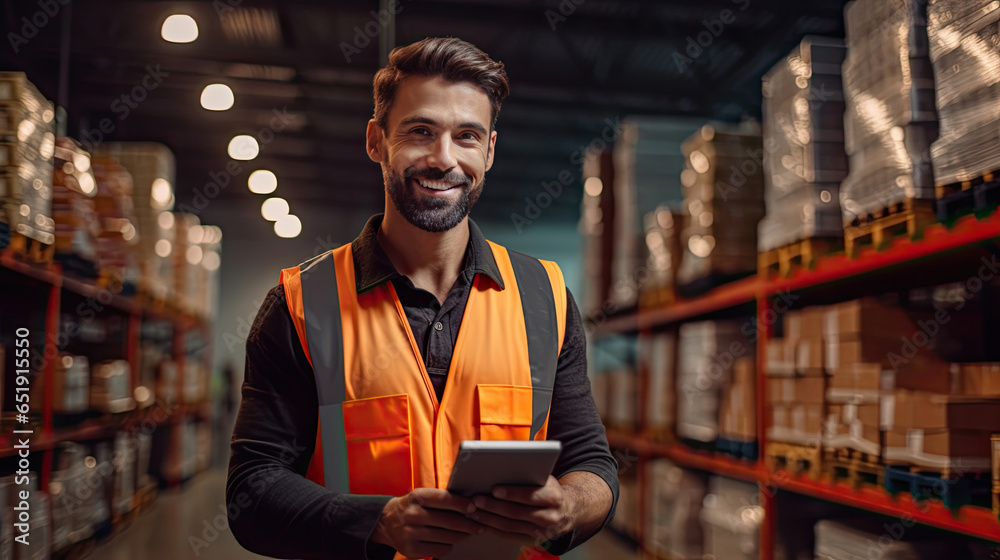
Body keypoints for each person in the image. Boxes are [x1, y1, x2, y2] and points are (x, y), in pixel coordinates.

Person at [227, 37, 618, 560]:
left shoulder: (543, 299)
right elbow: (251, 493)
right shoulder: (301, 303)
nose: (444, 158)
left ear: (490, 151)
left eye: (467, 136)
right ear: (376, 140)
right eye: (420, 132)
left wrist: (569, 506)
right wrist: (377, 524)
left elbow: (593, 463)